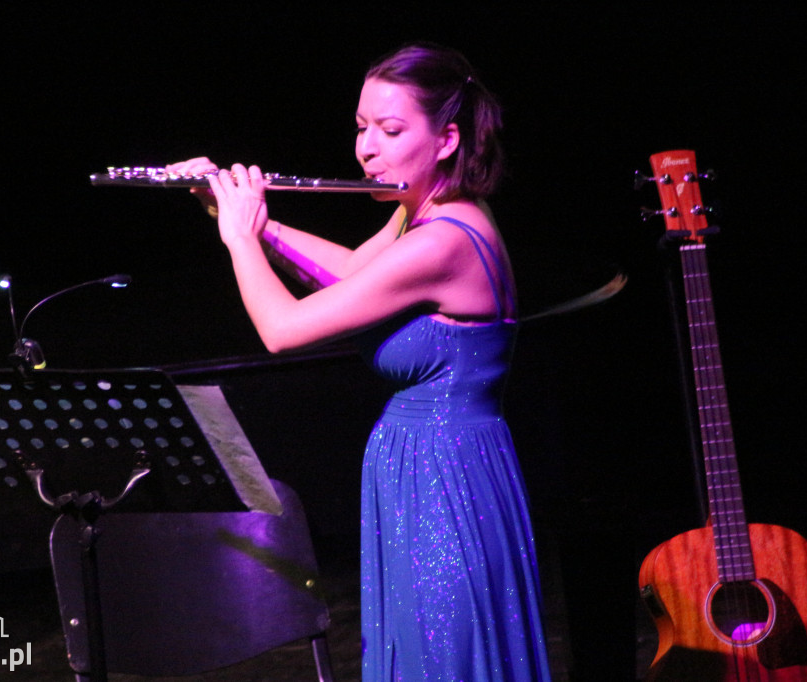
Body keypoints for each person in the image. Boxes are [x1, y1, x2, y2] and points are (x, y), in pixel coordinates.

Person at [168, 42, 551, 682]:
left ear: (448, 139)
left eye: (391, 130)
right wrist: (249, 219)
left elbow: (282, 330)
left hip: (447, 485)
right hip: (423, 473)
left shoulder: (446, 239)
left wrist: (238, 238)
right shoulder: (418, 217)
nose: (366, 148)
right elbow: (350, 274)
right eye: (361, 127)